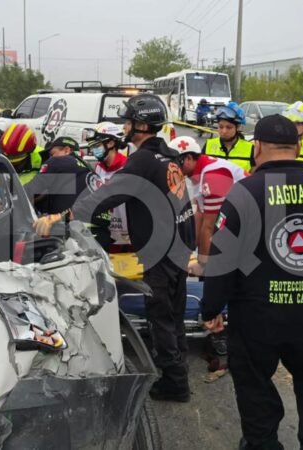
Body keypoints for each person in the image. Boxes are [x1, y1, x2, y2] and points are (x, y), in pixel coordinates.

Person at [202, 114, 303, 449]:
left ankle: (262, 444)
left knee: (255, 386)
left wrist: (211, 307)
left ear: (256, 148)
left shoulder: (245, 193)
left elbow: (223, 259)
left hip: (256, 318)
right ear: (299, 147)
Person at [34, 93, 196, 402]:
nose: (123, 128)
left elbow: (107, 196)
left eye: (128, 122)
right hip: (178, 246)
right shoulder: (167, 154)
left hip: (160, 251)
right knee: (174, 316)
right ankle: (180, 372)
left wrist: (61, 216)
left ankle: (175, 384)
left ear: (141, 125)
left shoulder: (143, 160)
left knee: (160, 317)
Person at [170, 135, 247, 357]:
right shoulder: (198, 174)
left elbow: (210, 228)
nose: (171, 168)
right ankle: (216, 323)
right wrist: (185, 250)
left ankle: (221, 332)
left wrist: (204, 263)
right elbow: (199, 216)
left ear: (188, 159)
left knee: (218, 277)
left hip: (245, 228)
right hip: (235, 225)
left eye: (175, 163)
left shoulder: (213, 176)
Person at [87, 122, 132, 252]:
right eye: (92, 146)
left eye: (97, 145)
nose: (94, 149)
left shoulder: (128, 166)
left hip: (130, 236)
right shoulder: (99, 167)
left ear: (111, 143)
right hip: (108, 232)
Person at [25, 136, 97, 215]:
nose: (50, 158)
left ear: (66, 150)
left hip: (68, 222)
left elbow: (29, 190)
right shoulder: (90, 168)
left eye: (52, 154)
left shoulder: (56, 161)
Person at [202, 102, 254, 172]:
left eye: (229, 127)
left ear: (237, 127)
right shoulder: (208, 145)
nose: (224, 131)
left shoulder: (250, 149)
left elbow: (255, 177)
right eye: (220, 127)